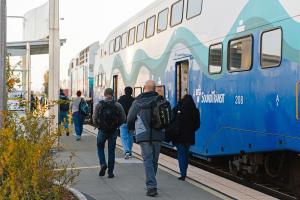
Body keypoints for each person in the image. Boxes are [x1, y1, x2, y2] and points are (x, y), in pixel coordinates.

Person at [127, 80, 165, 197]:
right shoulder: (161, 100)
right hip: (158, 135)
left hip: (143, 135)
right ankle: (152, 184)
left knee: (148, 160)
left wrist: (131, 128)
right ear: (154, 89)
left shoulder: (137, 102)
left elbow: (130, 118)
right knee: (154, 160)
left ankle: (151, 186)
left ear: (144, 88)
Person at [93, 88, 126, 178]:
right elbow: (123, 118)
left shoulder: (99, 105)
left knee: (100, 147)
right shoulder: (117, 105)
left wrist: (97, 125)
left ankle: (103, 164)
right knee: (111, 151)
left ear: (104, 94)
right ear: (112, 94)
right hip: (113, 131)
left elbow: (94, 117)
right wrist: (117, 125)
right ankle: (110, 173)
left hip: (102, 130)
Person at [168, 95, 200, 181]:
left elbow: (171, 121)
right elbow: (197, 125)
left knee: (181, 155)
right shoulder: (195, 111)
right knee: (186, 155)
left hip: (178, 137)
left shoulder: (177, 109)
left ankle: (183, 174)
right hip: (189, 137)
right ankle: (184, 172)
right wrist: (191, 129)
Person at [118, 87, 135, 159]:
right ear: (132, 92)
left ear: (125, 92)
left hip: (123, 121)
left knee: (124, 137)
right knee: (130, 136)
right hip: (131, 122)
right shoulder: (134, 100)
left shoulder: (120, 100)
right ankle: (130, 151)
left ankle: (127, 151)